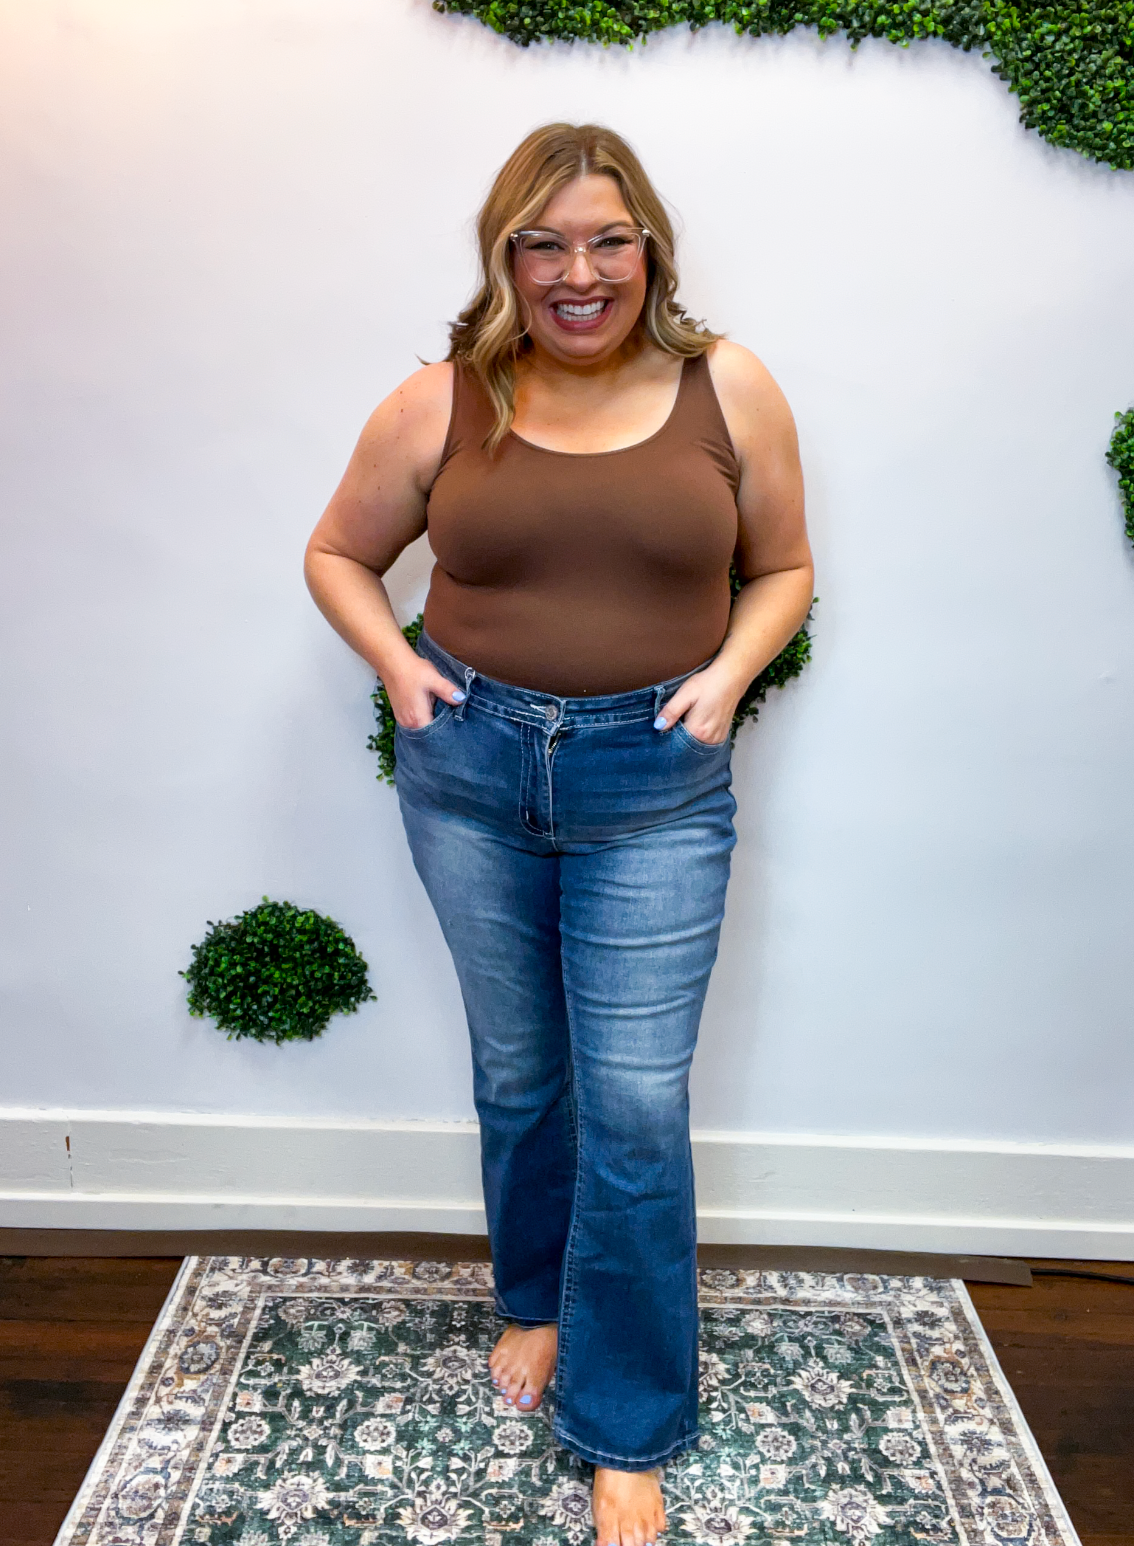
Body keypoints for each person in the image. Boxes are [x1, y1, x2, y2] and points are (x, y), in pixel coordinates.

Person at [304, 122, 812, 1546]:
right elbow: (338, 552)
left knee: (635, 1106)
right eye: (543, 244)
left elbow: (783, 566)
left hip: (654, 785)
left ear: (649, 248)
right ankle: (534, 1297)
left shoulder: (730, 388)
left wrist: (727, 676)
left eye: (605, 241)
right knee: (522, 1073)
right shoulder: (439, 402)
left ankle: (626, 1423)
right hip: (471, 775)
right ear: (504, 258)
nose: (576, 273)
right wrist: (398, 670)